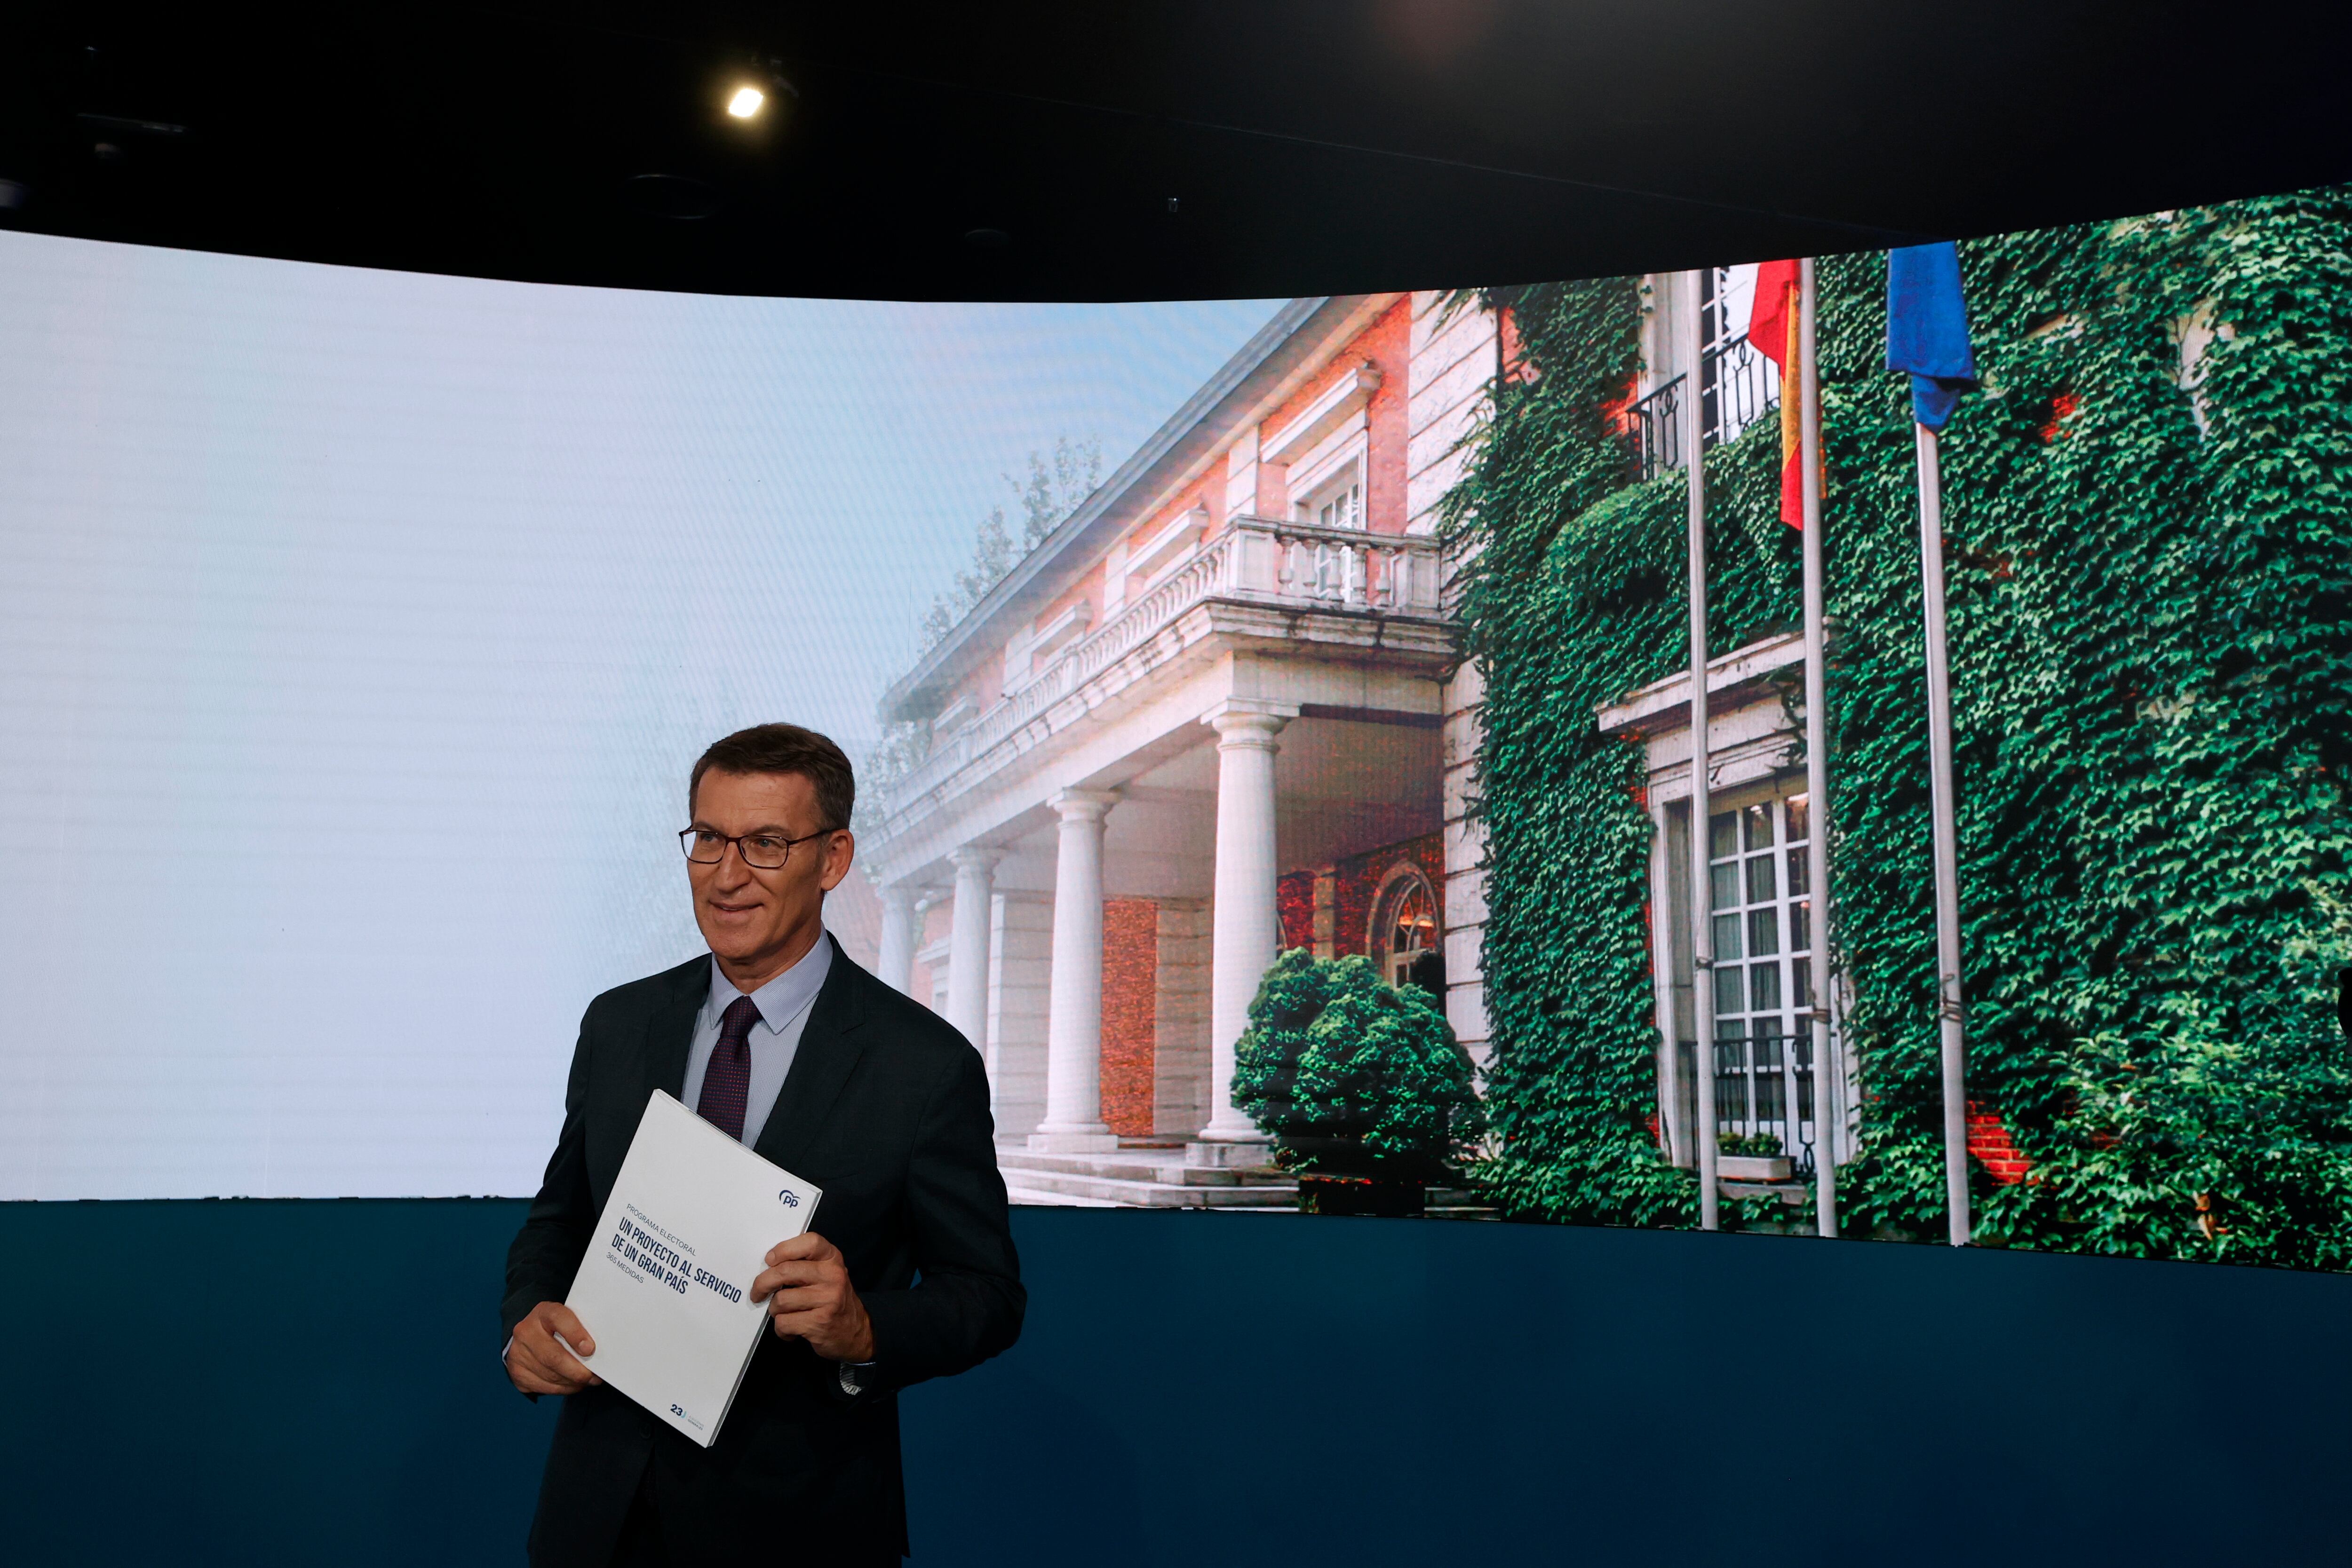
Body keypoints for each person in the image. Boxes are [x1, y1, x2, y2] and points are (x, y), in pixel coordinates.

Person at [501, 723, 1023, 1567]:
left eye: (766, 844)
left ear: (835, 856)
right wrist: (524, 1321)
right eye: (708, 838)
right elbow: (560, 1221)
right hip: (595, 1518)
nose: (727, 875)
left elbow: (989, 1294)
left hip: (802, 1528)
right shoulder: (618, 1023)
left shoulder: (924, 1066)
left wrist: (863, 1327)